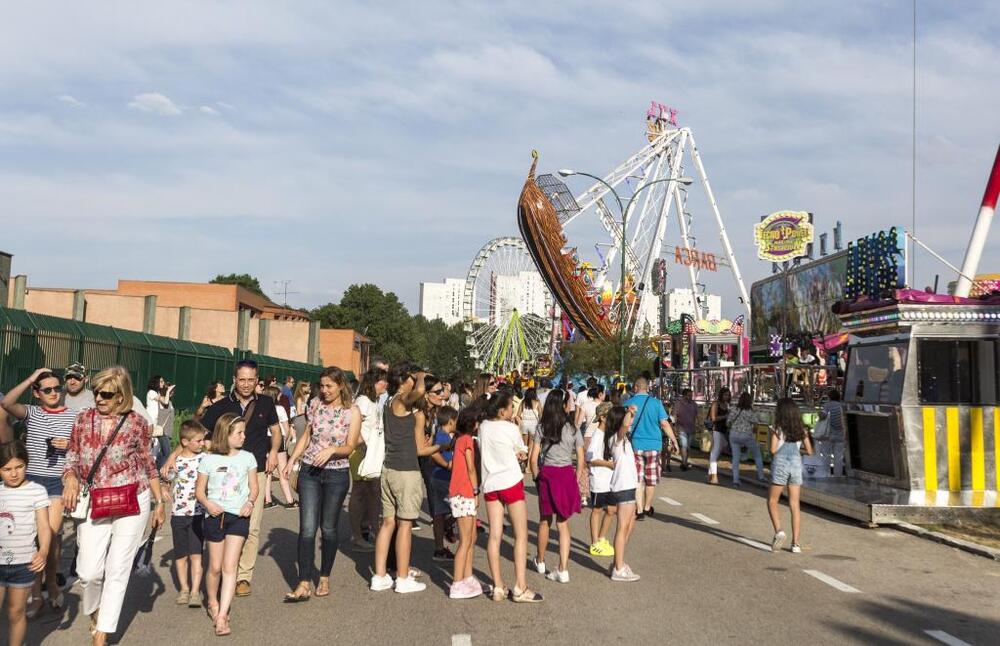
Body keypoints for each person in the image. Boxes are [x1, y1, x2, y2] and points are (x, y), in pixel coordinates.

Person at [62, 366, 165, 645]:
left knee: (118, 568)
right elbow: (72, 455)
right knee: (88, 571)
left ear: (122, 395)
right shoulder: (83, 418)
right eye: (96, 392)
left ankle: (103, 634)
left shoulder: (136, 423)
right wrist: (70, 478)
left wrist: (159, 502)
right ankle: (95, 611)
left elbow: (147, 463)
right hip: (95, 499)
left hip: (132, 497)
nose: (99, 398)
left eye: (106, 394)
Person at [168, 359, 280, 598]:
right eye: (242, 380)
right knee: (219, 523)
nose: (247, 384)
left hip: (254, 471)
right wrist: (173, 456)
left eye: (251, 380)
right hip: (223, 477)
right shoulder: (220, 407)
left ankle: (242, 576)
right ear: (234, 380)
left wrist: (273, 453)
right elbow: (198, 434)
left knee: (251, 524)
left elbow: (277, 432)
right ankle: (221, 569)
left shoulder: (267, 403)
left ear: (257, 380)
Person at [2, 368, 76, 616]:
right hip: (31, 481)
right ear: (37, 393)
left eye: (58, 388)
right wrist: (31, 379)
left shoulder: (74, 416)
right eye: (47, 389)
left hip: (56, 482)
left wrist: (70, 444)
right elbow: (6, 402)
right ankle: (37, 595)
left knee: (50, 535)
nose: (54, 393)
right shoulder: (32, 413)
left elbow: (83, 447)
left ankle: (52, 582)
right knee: (31, 538)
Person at [283, 366, 361, 602]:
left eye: (329, 386)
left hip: (336, 474)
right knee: (307, 528)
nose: (324, 390)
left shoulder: (352, 411)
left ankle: (324, 576)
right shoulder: (315, 404)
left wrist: (332, 451)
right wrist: (292, 460)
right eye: (322, 385)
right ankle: (304, 582)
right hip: (310, 471)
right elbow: (307, 434)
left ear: (340, 386)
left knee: (328, 528)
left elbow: (350, 446)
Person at [371, 363, 441, 594]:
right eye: (413, 377)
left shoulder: (389, 402)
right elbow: (420, 392)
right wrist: (421, 375)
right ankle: (402, 577)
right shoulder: (401, 400)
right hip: (405, 470)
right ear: (404, 378)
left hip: (390, 468)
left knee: (388, 522)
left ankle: (380, 575)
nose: (417, 381)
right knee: (405, 525)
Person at [196, 413, 258, 637]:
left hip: (238, 517)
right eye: (239, 433)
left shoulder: (248, 458)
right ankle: (212, 601)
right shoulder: (208, 459)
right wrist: (208, 504)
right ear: (226, 434)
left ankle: (222, 615)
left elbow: (254, 487)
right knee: (214, 567)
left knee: (229, 567)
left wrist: (250, 502)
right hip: (215, 516)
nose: (243, 436)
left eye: (244, 432)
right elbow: (199, 491)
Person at [480, 391, 542, 603]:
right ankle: (520, 586)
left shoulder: (484, 427)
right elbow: (520, 451)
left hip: (490, 483)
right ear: (502, 410)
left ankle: (497, 586)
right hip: (510, 481)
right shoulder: (511, 428)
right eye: (509, 407)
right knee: (520, 535)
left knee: (494, 535)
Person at [529, 389, 584, 583]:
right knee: (563, 524)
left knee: (545, 520)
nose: (570, 404)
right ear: (562, 404)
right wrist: (575, 479)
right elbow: (581, 459)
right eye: (568, 401)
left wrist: (536, 477)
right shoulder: (573, 428)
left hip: (548, 475)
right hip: (566, 474)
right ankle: (563, 568)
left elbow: (533, 459)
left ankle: (541, 560)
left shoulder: (542, 427)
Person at [0, 441, 52, 646]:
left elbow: (44, 526)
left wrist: (44, 551)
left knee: (15, 612)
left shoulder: (37, 491)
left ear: (26, 465)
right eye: (7, 469)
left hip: (24, 563)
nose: (14, 474)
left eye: (19, 467)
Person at [165, 420, 208, 608]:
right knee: (181, 555)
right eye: (197, 441)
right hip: (179, 514)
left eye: (202, 440)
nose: (201, 444)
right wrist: (165, 488)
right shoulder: (176, 461)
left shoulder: (205, 459)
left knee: (196, 554)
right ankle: (184, 588)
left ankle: (195, 591)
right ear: (184, 442)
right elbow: (166, 479)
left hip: (198, 513)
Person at [622, 377, 677, 519]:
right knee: (650, 479)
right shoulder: (656, 403)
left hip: (635, 444)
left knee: (638, 478)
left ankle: (639, 510)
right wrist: (674, 440)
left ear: (635, 388)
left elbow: (623, 425)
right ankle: (647, 507)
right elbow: (664, 424)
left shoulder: (628, 403)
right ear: (647, 388)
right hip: (654, 444)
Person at [767, 398, 813, 553]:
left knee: (773, 501)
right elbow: (810, 451)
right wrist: (797, 452)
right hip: (796, 464)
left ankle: (779, 531)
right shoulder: (802, 429)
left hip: (780, 464)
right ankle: (796, 544)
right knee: (795, 504)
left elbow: (773, 450)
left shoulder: (777, 428)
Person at [349, 366, 388, 550]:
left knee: (373, 491)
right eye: (383, 381)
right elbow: (354, 424)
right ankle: (357, 535)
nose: (386, 384)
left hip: (372, 453)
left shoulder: (375, 402)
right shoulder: (363, 401)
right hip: (362, 453)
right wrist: (359, 443)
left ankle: (373, 529)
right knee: (359, 492)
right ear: (374, 382)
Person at [448, 406, 482, 599]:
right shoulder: (467, 440)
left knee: (470, 537)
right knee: (465, 539)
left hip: (460, 493)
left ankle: (467, 577)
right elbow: (470, 468)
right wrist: (476, 490)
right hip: (464, 492)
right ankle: (457, 582)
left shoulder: (459, 440)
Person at [603, 405, 640, 582]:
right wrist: (630, 412)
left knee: (630, 524)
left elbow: (625, 426)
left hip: (629, 486)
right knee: (622, 526)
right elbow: (625, 425)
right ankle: (618, 568)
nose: (630, 422)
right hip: (623, 487)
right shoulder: (616, 438)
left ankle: (618, 561)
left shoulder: (622, 439)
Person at [585, 402, 616, 557]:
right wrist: (609, 464)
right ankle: (594, 542)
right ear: (603, 418)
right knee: (597, 510)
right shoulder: (597, 436)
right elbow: (590, 459)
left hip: (610, 479)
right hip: (599, 479)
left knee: (611, 509)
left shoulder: (609, 434)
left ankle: (602, 537)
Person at [430, 406, 458, 562]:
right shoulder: (442, 436)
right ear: (451, 421)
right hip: (443, 478)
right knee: (458, 509)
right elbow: (434, 454)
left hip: (441, 478)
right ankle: (447, 528)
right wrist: (447, 465)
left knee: (440, 514)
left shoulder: (444, 435)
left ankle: (439, 548)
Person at [262, 385, 296, 509]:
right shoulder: (280, 409)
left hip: (265, 438)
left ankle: (267, 500)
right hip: (278, 438)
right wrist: (286, 442)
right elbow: (286, 429)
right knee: (283, 471)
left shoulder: (263, 408)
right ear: (275, 395)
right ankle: (289, 500)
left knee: (268, 470)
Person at [728, 392, 765, 486]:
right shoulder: (750, 411)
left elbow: (728, 423)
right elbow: (756, 426)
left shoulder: (734, 409)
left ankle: (735, 480)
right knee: (757, 455)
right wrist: (753, 433)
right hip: (746, 435)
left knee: (735, 458)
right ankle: (761, 476)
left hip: (733, 434)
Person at [146, 376, 176, 470]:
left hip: (156, 423)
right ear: (156, 382)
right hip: (151, 421)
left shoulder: (157, 393)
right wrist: (168, 391)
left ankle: (155, 470)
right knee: (155, 448)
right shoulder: (151, 392)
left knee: (156, 449)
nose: (163, 383)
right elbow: (165, 401)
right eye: (161, 381)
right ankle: (153, 469)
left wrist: (168, 391)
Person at [818, 388, 846, 477]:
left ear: (830, 397)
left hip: (828, 435)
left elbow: (822, 416)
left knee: (826, 455)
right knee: (839, 457)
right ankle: (838, 475)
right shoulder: (842, 406)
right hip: (840, 435)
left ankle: (826, 474)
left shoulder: (827, 405)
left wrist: (819, 412)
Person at [707, 388, 732, 486]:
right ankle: (714, 476)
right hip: (716, 429)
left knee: (716, 452)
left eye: (728, 395)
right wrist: (726, 416)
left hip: (724, 430)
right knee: (715, 452)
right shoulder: (716, 404)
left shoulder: (727, 405)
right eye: (725, 395)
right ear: (721, 395)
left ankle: (710, 475)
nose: (727, 397)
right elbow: (713, 418)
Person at [671, 389, 698, 471]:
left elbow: (696, 415)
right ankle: (684, 463)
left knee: (688, 447)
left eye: (691, 395)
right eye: (689, 395)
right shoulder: (679, 404)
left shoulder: (694, 404)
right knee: (684, 445)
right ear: (684, 395)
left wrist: (698, 424)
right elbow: (674, 415)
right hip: (681, 427)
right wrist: (674, 426)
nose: (690, 397)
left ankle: (685, 461)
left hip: (691, 427)